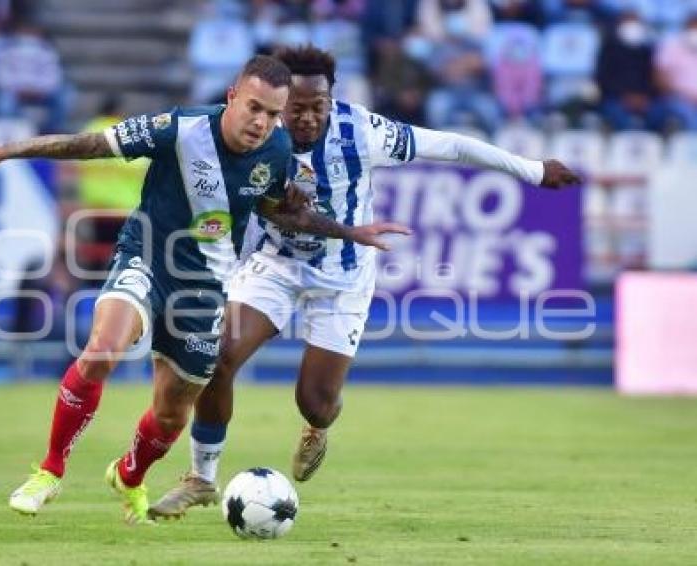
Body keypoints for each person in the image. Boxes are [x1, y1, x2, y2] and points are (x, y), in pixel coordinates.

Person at [0, 54, 407, 524]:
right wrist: (4, 151)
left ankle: (129, 473)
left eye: (272, 113)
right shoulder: (179, 129)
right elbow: (88, 145)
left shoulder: (278, 151)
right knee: (102, 349)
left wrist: (351, 232)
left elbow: (281, 211)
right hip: (147, 259)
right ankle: (49, 471)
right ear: (232, 97)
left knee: (171, 415)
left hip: (204, 288)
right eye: (254, 108)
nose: (262, 122)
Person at [149, 45, 580, 519]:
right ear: (278, 104)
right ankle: (201, 478)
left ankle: (318, 427)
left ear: (332, 101)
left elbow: (451, 145)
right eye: (298, 108)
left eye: (319, 106)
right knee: (219, 358)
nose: (309, 118)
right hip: (274, 263)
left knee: (315, 403)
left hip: (344, 274)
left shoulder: (365, 132)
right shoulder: (251, 129)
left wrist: (533, 170)